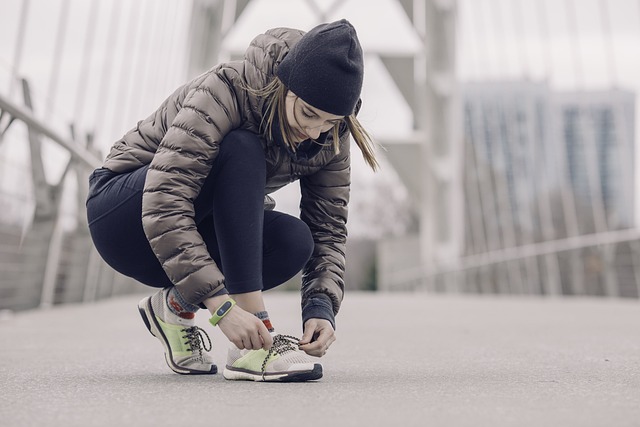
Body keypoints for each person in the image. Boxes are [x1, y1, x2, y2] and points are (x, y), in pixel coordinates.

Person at [86, 18, 378, 382]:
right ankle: (254, 340)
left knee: (294, 241)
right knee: (242, 146)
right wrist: (222, 307)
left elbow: (328, 228)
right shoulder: (228, 89)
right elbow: (165, 200)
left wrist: (321, 307)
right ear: (284, 85)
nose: (315, 130)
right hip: (122, 217)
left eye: (332, 121)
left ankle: (174, 305)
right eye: (308, 113)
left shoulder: (330, 135)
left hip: (185, 235)